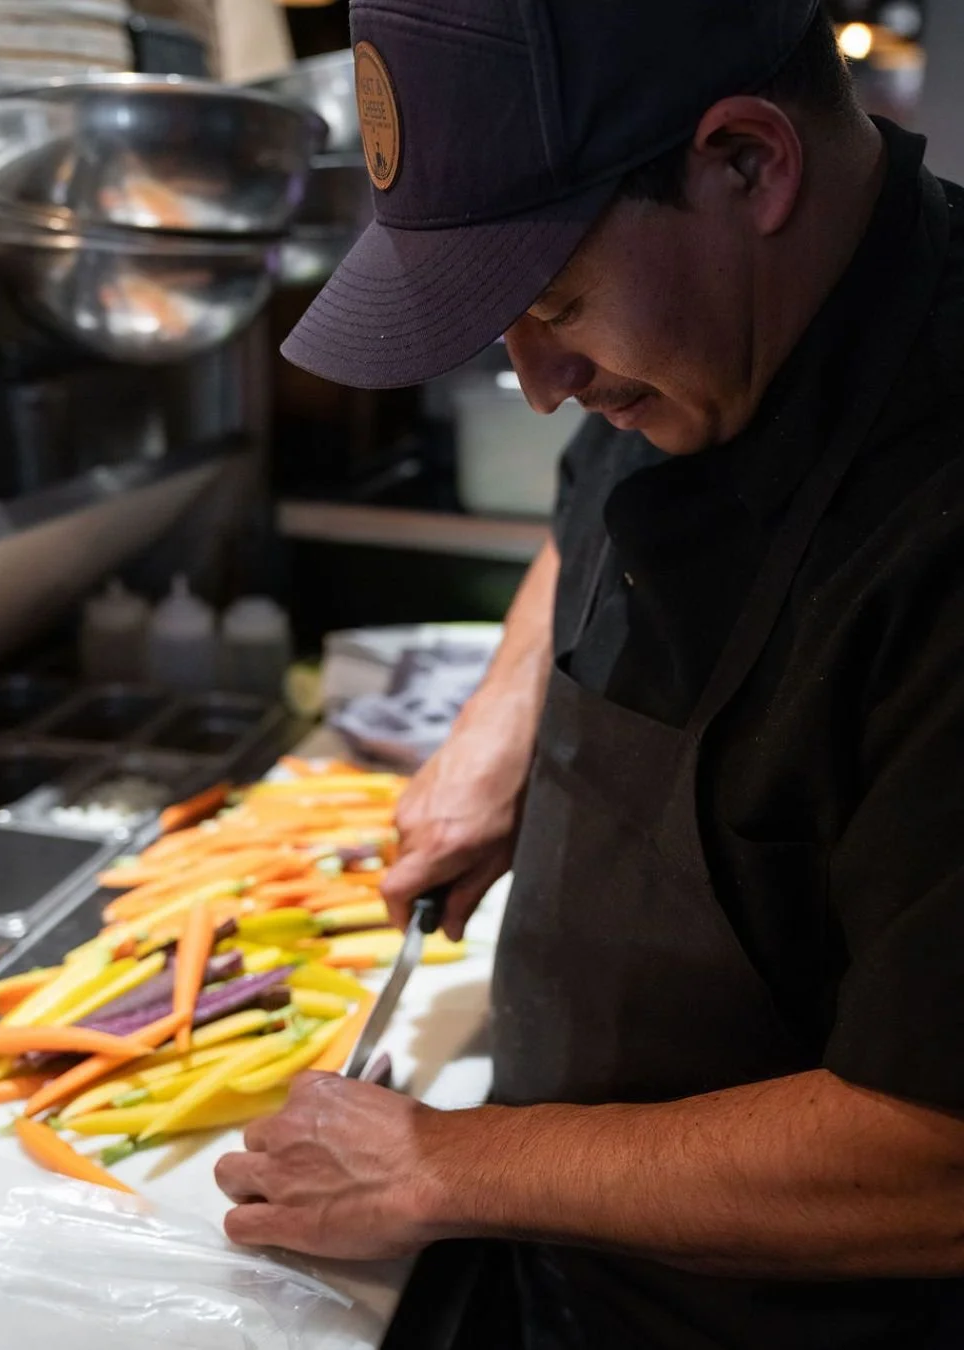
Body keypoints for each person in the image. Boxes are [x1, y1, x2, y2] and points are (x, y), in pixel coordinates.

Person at [214, 1, 964, 1344]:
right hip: (579, 1266)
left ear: (747, 162)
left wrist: (437, 1166)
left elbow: (938, 1155)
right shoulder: (716, 332)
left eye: (552, 302)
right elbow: (592, 504)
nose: (543, 382)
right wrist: (506, 715)